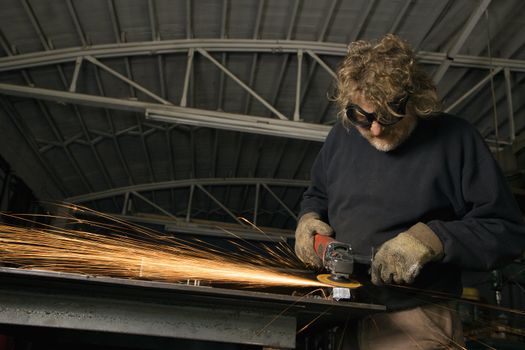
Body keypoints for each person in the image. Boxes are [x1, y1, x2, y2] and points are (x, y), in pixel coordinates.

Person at [294, 34, 525, 349]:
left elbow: (505, 229)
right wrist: (309, 221)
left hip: (415, 321)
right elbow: (318, 195)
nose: (375, 129)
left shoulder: (455, 140)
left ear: (415, 98)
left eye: (389, 115)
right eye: (362, 117)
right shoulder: (341, 137)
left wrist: (430, 241)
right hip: (345, 315)